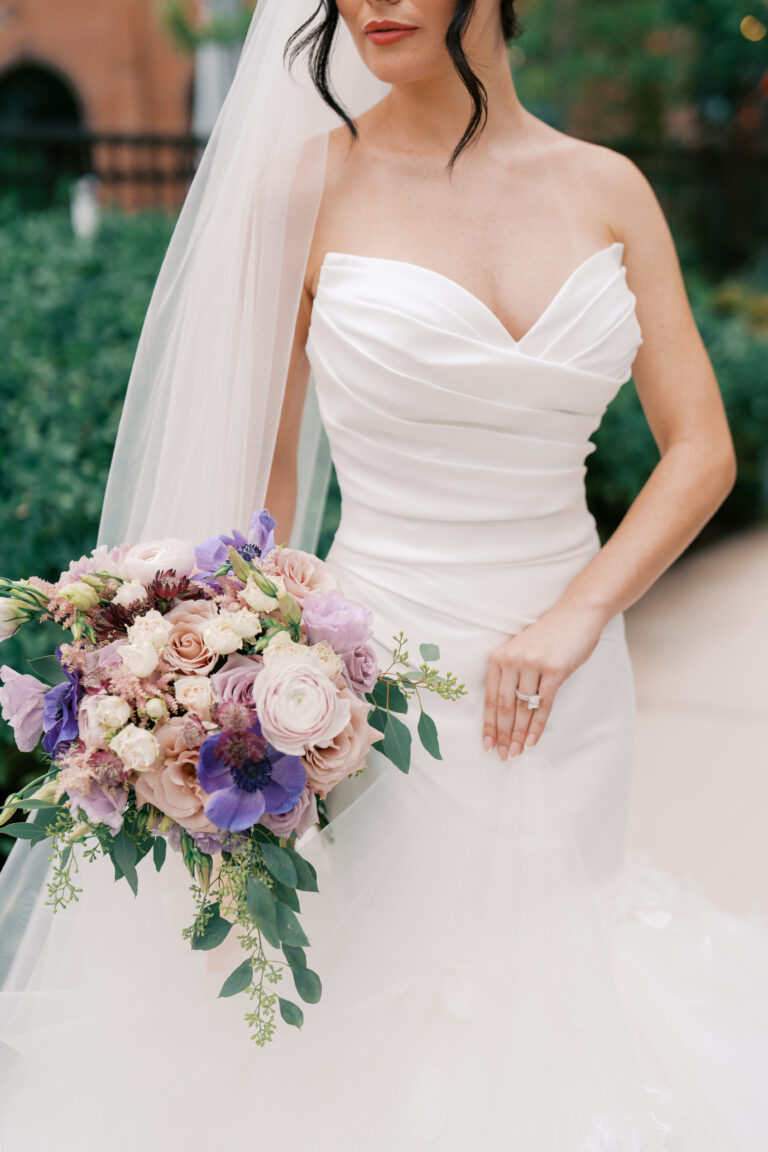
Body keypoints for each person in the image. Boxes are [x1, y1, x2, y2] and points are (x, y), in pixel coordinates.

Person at [1, 1, 767, 1149]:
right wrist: (212, 672)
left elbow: (702, 447)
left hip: (573, 676)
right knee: (393, 990)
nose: (368, 3)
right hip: (377, 683)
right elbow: (258, 488)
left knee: (562, 967)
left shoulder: (609, 187)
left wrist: (577, 616)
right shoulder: (302, 189)